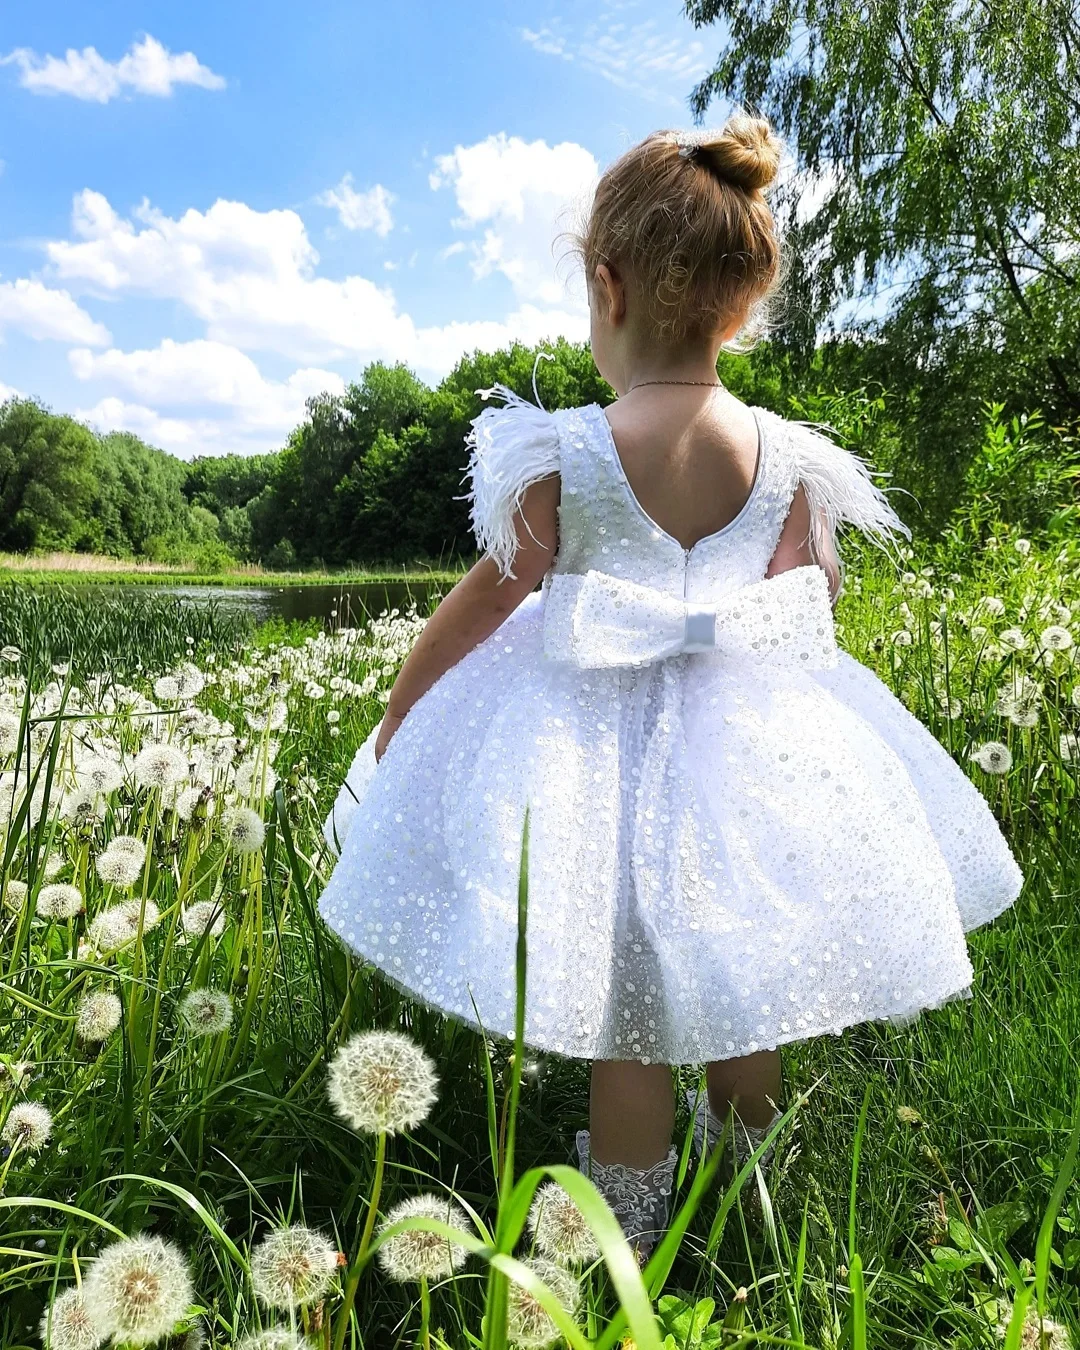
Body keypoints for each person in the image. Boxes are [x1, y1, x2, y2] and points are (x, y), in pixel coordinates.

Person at [317, 114, 1024, 1263]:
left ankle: (625, 1242)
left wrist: (405, 709)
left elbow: (490, 598)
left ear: (607, 286)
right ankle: (749, 1206)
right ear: (743, 305)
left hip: (589, 754)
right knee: (745, 979)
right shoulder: (792, 460)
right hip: (749, 752)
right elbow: (810, 603)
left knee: (624, 1008)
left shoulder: (574, 451)